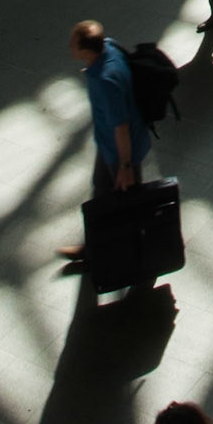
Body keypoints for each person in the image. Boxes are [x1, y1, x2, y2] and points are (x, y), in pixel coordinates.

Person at [56, 20, 151, 263]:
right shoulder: (109, 47)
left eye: (73, 44)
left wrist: (125, 167)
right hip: (112, 147)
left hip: (120, 152)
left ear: (86, 51)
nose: (68, 46)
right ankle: (94, 247)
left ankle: (142, 253)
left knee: (128, 201)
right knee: (101, 191)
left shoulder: (105, 81)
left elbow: (120, 127)